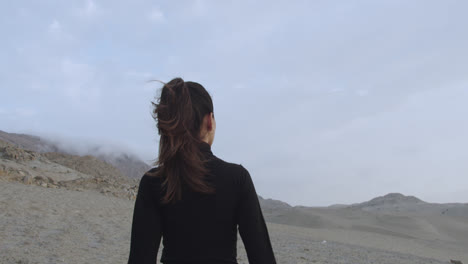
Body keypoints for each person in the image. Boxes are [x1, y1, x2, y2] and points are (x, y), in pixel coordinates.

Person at [127, 78, 277, 264]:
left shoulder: (153, 181)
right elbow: (262, 257)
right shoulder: (237, 178)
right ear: (209, 120)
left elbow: (139, 259)